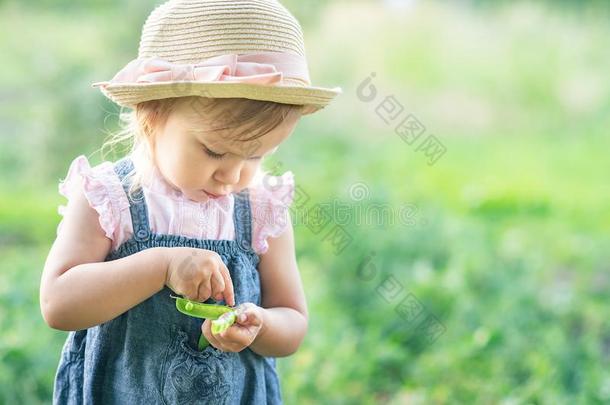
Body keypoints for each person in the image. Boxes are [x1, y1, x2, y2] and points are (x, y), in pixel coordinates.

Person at [38, 0, 341, 403]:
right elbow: (59, 304)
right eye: (214, 151)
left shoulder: (261, 209)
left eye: (255, 155)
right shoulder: (110, 198)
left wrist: (260, 325)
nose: (232, 176)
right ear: (153, 115)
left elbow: (293, 321)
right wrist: (160, 265)